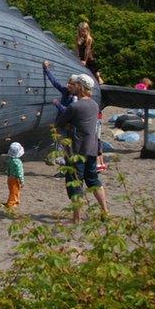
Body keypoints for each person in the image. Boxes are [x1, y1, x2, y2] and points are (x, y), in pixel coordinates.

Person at [54, 74, 108, 224]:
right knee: (93, 180)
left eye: (76, 84)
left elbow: (59, 122)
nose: (73, 86)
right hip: (92, 148)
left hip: (76, 150)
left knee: (75, 183)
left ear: (81, 87)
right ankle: (105, 211)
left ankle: (76, 218)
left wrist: (69, 124)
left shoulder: (74, 106)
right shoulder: (95, 105)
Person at [4, 142, 25, 210]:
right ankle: (11, 205)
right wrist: (22, 181)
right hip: (15, 179)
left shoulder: (10, 160)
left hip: (10, 178)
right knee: (15, 192)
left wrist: (8, 175)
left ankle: (13, 202)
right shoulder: (18, 162)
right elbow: (20, 173)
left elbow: (8, 169)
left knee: (12, 191)